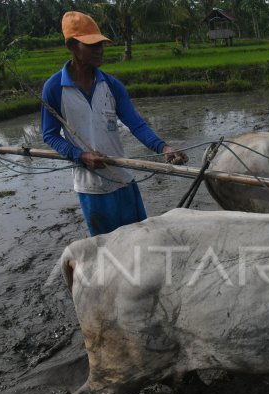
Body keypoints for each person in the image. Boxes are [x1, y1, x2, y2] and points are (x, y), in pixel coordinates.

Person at [41, 11, 188, 236]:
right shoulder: (54, 89)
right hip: (92, 188)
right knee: (107, 250)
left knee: (140, 240)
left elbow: (136, 124)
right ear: (72, 46)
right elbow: (50, 135)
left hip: (123, 180)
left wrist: (164, 148)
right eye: (91, 45)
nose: (99, 50)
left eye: (100, 44)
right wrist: (81, 156)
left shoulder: (111, 85)